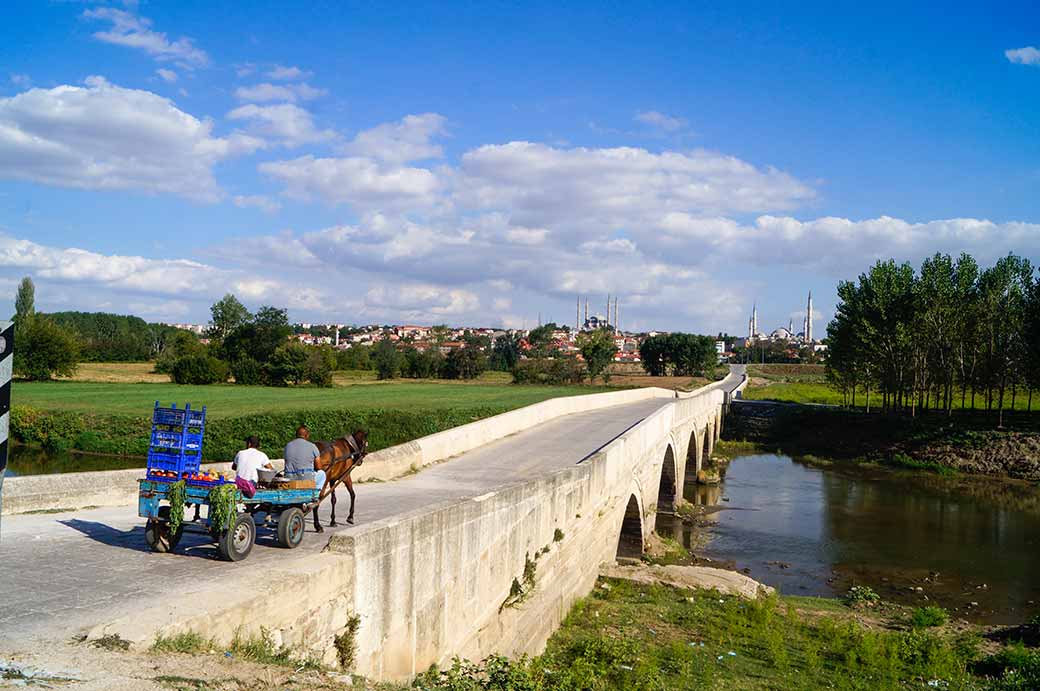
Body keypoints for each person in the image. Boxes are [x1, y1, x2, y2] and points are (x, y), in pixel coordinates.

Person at [284, 425, 326, 490]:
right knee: (322, 474)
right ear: (307, 435)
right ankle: (315, 494)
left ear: (296, 435)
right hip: (305, 478)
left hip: (289, 478)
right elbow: (319, 467)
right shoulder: (312, 446)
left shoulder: (287, 445)